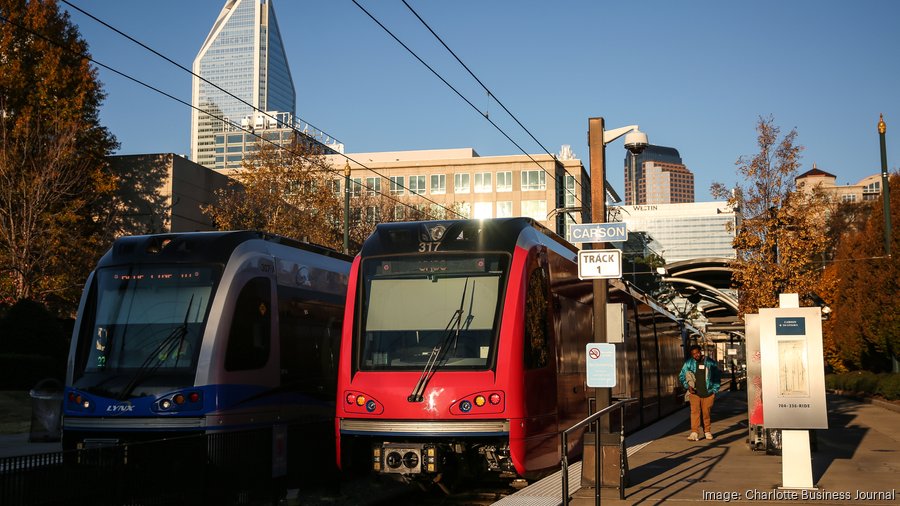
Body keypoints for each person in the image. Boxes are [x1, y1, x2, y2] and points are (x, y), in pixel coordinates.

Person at [679, 344, 721, 441]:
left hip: (708, 393)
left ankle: (707, 431)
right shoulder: (688, 363)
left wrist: (714, 390)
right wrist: (687, 386)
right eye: (693, 354)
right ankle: (694, 432)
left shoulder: (710, 363)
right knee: (694, 412)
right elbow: (681, 376)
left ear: (700, 352)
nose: (696, 355)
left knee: (706, 413)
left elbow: (717, 377)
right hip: (694, 393)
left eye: (697, 353)